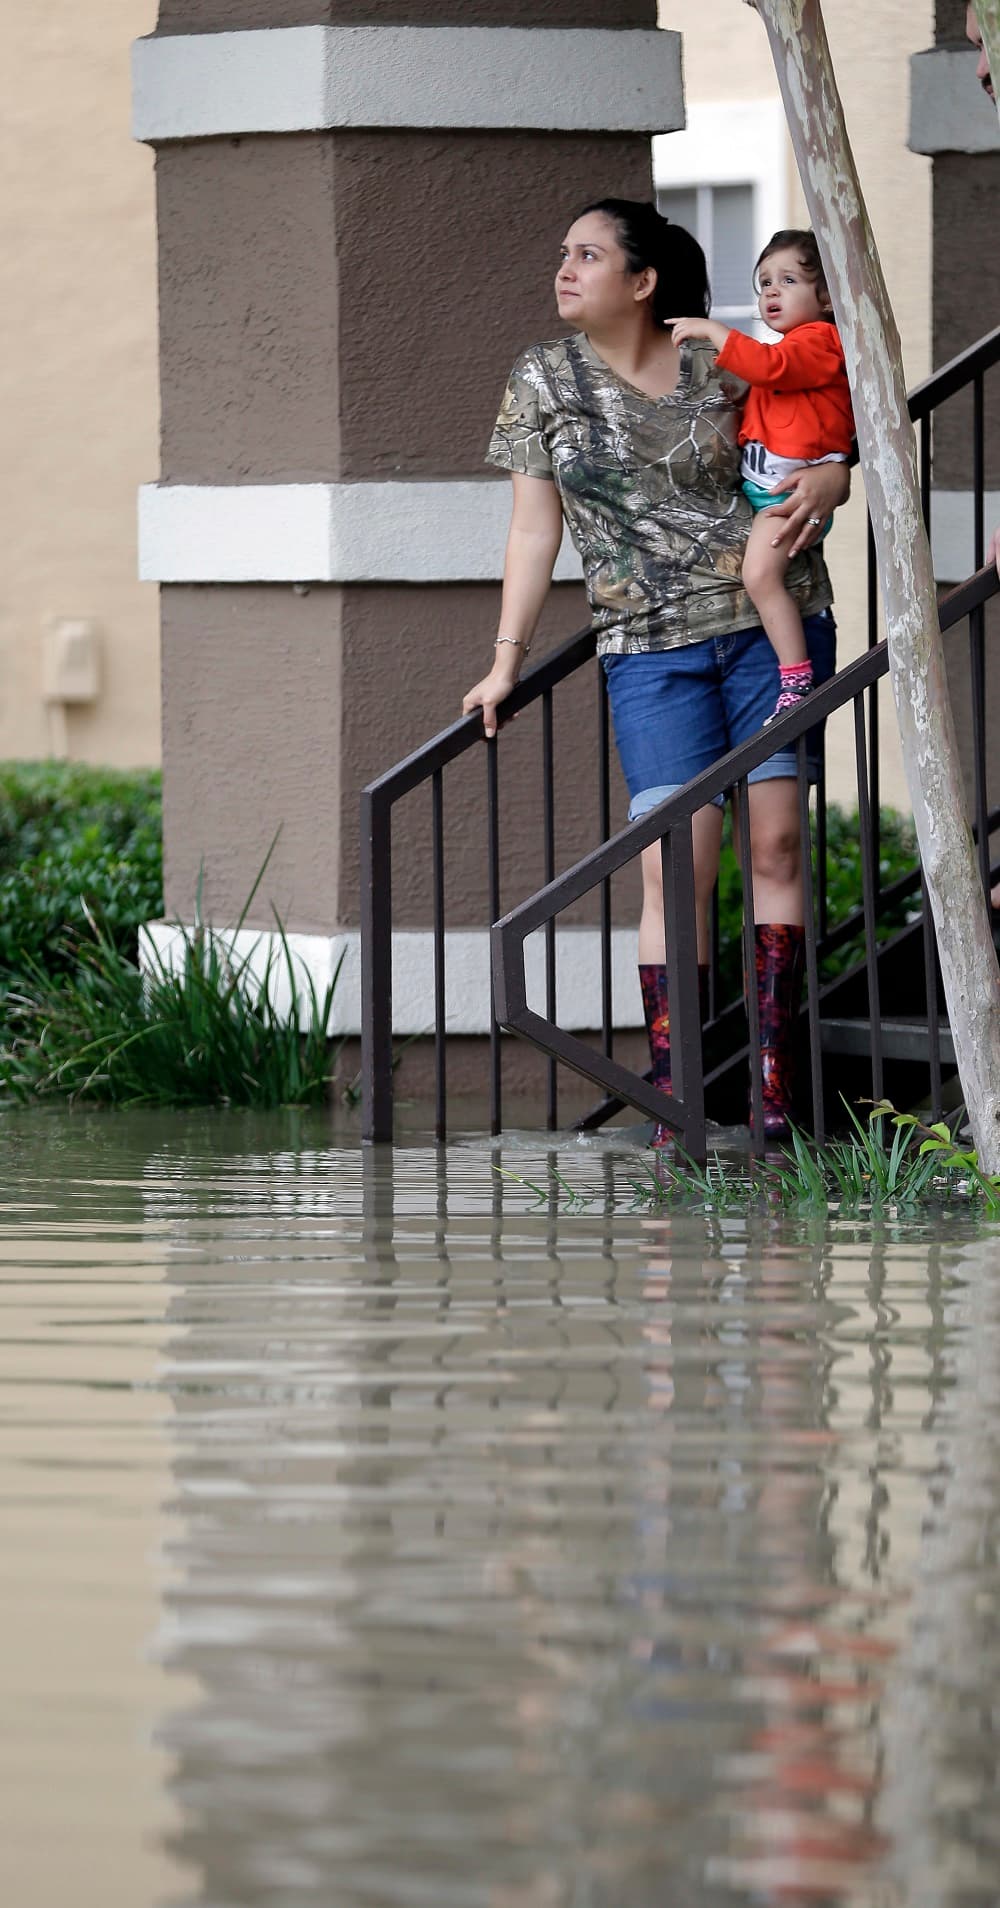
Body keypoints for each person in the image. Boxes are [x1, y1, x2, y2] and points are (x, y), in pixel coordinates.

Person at [461, 199, 848, 1143]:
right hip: (646, 648)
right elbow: (532, 528)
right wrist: (505, 661)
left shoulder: (723, 360)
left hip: (772, 626)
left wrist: (838, 475)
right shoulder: (542, 379)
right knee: (678, 868)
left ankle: (772, 1098)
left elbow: (818, 425)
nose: (564, 268)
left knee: (776, 850)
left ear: (642, 282)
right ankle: (678, 1097)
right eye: (564, 252)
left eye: (585, 254)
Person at [669, 230, 853, 725]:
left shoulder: (820, 342)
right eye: (765, 281)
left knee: (759, 575)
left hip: (789, 496)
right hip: (768, 483)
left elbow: (771, 369)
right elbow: (772, 394)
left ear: (827, 297)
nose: (771, 291)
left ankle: (795, 678)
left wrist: (714, 330)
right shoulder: (792, 347)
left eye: (788, 280)